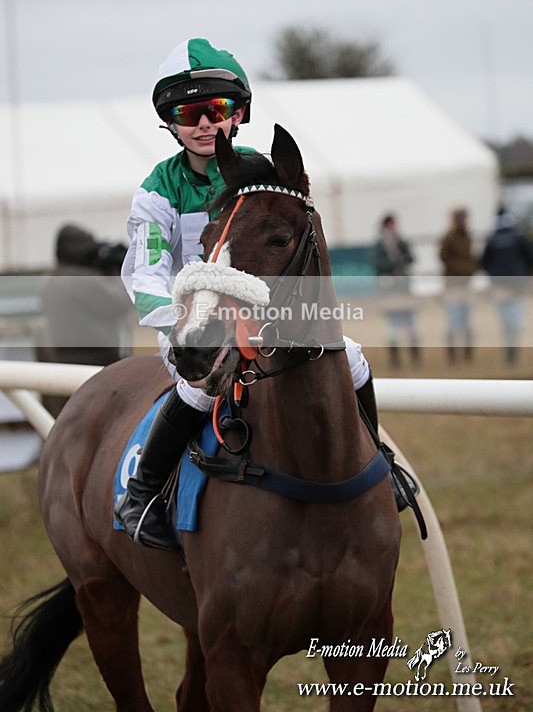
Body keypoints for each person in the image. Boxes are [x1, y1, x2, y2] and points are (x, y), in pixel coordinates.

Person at [115, 38, 414, 550]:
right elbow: (144, 275)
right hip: (195, 323)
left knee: (354, 358)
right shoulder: (156, 191)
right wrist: (180, 325)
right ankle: (142, 493)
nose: (205, 123)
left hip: (266, 316)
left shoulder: (262, 175)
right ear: (170, 122)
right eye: (189, 112)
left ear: (239, 114)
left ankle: (377, 459)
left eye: (217, 109)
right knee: (202, 384)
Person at [39, 224, 132, 416]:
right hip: (95, 361)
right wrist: (117, 272)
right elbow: (121, 302)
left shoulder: (50, 279)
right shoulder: (81, 279)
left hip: (62, 359)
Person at [480, 206, 533, 363]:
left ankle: (510, 348)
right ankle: (513, 348)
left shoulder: (492, 238)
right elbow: (530, 256)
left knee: (505, 319)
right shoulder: (518, 236)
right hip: (516, 284)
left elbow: (484, 262)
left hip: (500, 285)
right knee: (515, 317)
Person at [372, 214, 420, 367]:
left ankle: (415, 358)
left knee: (411, 325)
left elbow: (411, 258)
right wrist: (394, 261)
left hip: (404, 289)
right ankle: (395, 360)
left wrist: (402, 258)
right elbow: (378, 264)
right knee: (392, 327)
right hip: (390, 291)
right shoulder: (380, 246)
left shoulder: (401, 242)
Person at [438, 207, 477, 362]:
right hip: (453, 285)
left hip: (465, 285)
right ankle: (452, 354)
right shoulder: (449, 237)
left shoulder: (467, 236)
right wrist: (463, 269)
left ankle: (467, 354)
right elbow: (444, 257)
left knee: (466, 320)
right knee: (453, 320)